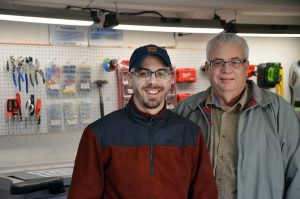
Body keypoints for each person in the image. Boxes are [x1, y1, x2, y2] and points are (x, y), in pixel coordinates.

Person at [68, 44, 217, 199]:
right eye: (144, 73)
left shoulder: (191, 134)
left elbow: (205, 194)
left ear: (171, 79)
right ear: (130, 79)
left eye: (161, 73)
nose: (153, 81)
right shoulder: (99, 134)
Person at [174, 33, 300, 199]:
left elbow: (297, 176)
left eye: (235, 62)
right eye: (217, 62)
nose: (227, 69)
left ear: (246, 66)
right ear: (207, 67)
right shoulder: (185, 111)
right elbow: (172, 173)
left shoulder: (279, 112)